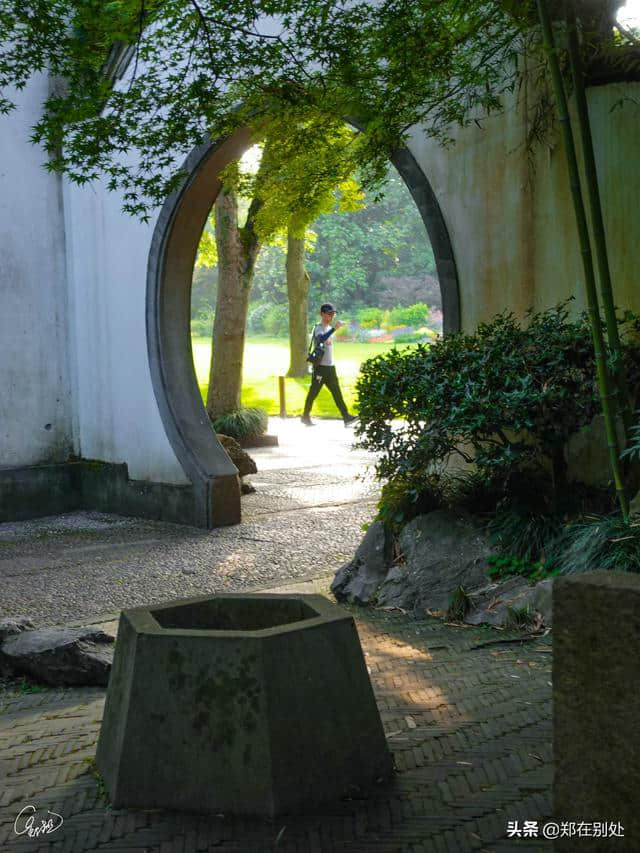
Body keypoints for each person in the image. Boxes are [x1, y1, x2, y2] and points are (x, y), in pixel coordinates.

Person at [301, 303, 358, 427]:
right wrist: (334, 329)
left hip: (330, 367)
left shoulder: (328, 328)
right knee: (313, 392)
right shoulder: (319, 328)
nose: (331, 317)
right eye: (328, 314)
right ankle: (305, 416)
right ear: (322, 314)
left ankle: (346, 417)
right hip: (320, 368)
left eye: (332, 314)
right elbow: (321, 339)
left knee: (337, 393)